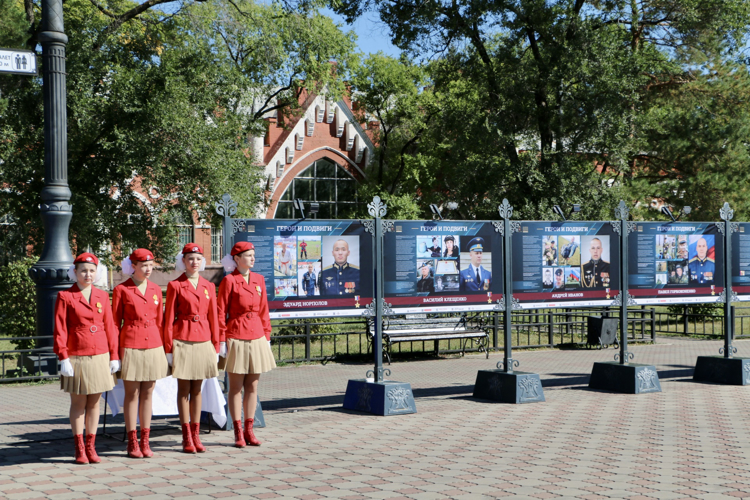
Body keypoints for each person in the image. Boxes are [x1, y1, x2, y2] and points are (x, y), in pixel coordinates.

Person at [54, 252, 119, 464]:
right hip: (77, 355)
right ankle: (79, 447)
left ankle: (91, 446)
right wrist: (63, 356)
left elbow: (110, 327)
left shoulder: (101, 296)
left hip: (100, 354)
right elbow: (60, 328)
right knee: (78, 402)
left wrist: (114, 355)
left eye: (92, 271)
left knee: (94, 403)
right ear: (75, 272)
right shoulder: (66, 296)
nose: (88, 274)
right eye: (83, 270)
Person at [163, 243, 220, 454]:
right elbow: (168, 319)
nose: (194, 262)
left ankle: (196, 434)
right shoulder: (175, 285)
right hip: (183, 339)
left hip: (204, 339)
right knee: (184, 390)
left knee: (198, 389)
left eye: (197, 258)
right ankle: (186, 435)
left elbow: (213, 316)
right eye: (190, 259)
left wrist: (216, 344)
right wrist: (168, 349)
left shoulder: (209, 286)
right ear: (183, 261)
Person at [218, 242, 276, 448]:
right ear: (236, 259)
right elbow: (220, 312)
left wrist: (267, 337)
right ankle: (237, 431)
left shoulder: (259, 279)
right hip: (236, 335)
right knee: (235, 388)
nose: (253, 258)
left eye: (253, 255)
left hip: (257, 335)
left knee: (252, 386)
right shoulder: (229, 281)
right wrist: (222, 340)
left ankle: (249, 429)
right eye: (249, 255)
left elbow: (264, 310)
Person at [112, 248, 168, 459]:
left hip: (153, 343)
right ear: (133, 266)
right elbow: (115, 324)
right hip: (131, 343)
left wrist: (164, 348)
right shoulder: (122, 290)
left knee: (148, 392)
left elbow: (160, 322)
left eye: (151, 265)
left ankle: (146, 439)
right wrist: (114, 353)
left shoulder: (155, 289)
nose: (148, 269)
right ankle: (132, 440)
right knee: (132, 393)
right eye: (143, 265)